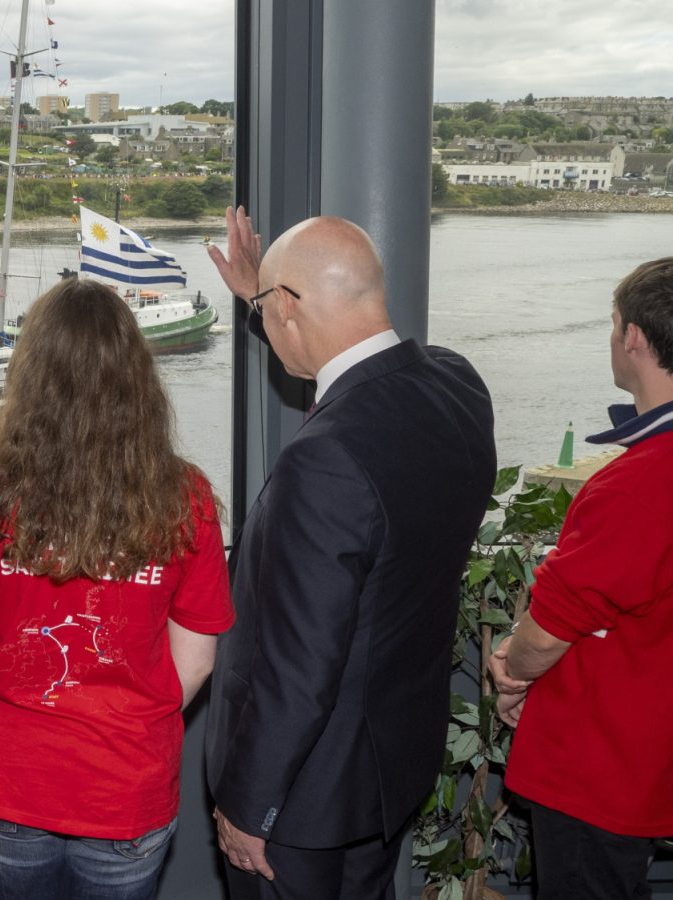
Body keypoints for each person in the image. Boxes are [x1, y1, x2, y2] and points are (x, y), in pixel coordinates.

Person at [202, 207, 496, 899]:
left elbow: (299, 665)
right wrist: (260, 300)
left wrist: (250, 806)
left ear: (292, 308)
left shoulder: (325, 458)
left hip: (303, 800)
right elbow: (356, 383)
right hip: (388, 770)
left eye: (272, 314)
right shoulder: (457, 386)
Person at [0, 278, 233, 900]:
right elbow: (194, 666)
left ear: (29, 376)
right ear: (137, 379)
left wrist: (24, 685)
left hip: (12, 780)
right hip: (126, 788)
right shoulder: (187, 499)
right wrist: (124, 714)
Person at [490, 257, 673, 900]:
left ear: (633, 339)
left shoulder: (639, 483)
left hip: (601, 767)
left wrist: (513, 667)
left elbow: (551, 628)